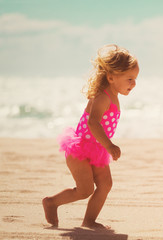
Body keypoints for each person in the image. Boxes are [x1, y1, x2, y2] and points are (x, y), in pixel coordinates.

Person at [42, 44, 139, 229]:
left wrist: (105, 146)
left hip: (97, 150)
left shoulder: (113, 94)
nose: (133, 83)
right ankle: (51, 202)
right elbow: (93, 123)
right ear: (111, 77)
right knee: (85, 190)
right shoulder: (102, 97)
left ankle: (89, 220)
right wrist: (110, 145)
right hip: (80, 149)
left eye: (135, 79)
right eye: (129, 78)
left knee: (106, 184)